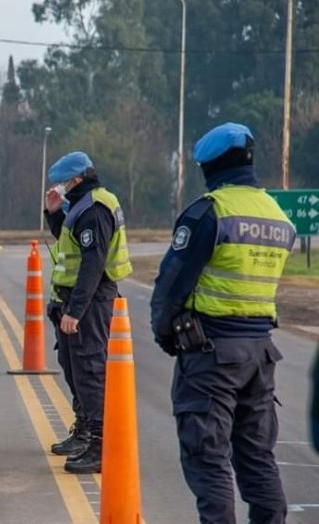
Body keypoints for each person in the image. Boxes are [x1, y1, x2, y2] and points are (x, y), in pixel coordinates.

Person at [150, 122, 295, 524]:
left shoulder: (210, 212)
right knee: (256, 457)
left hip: (212, 354)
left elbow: (171, 285)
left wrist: (166, 334)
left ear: (208, 167)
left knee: (208, 457)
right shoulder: (278, 217)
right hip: (261, 354)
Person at [43, 151, 132, 474]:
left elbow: (93, 264)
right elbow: (71, 246)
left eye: (64, 183)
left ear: (77, 180)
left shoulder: (95, 209)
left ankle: (99, 443)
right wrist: (53, 213)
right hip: (74, 300)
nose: (60, 188)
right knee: (73, 367)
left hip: (91, 302)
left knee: (91, 371)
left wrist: (76, 311)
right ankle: (83, 431)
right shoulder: (80, 206)